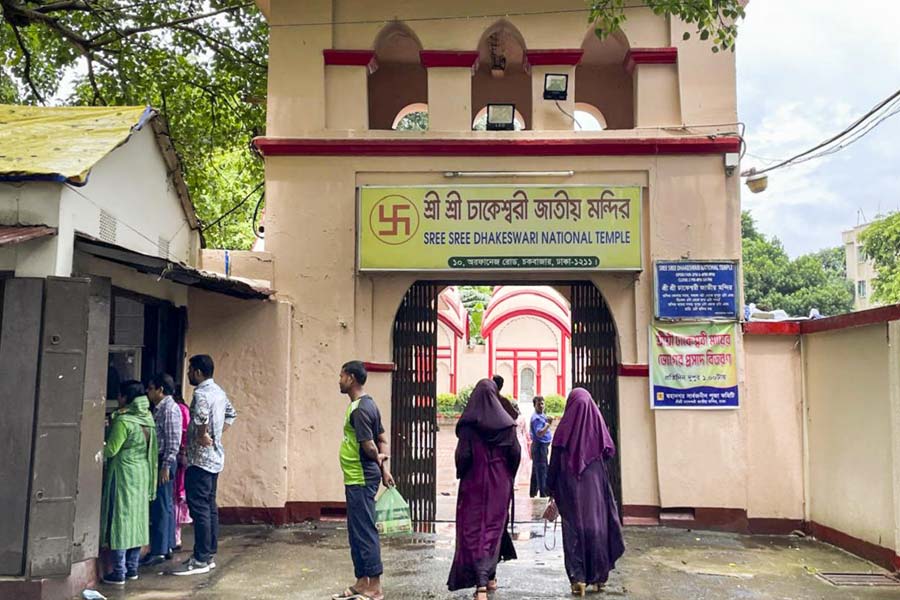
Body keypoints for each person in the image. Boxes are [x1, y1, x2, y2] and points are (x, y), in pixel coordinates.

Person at [547, 388, 625, 596]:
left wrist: (550, 488)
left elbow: (553, 464)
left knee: (574, 531)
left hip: (570, 488)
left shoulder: (563, 431)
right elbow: (609, 451)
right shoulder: (597, 429)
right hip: (595, 488)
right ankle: (600, 577)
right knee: (598, 527)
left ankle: (578, 578)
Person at [448, 379, 520, 600]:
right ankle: (488, 578)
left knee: (473, 529)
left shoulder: (469, 426)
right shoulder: (507, 426)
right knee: (494, 527)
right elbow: (515, 455)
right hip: (499, 483)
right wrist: (507, 476)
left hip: (474, 483)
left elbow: (463, 457)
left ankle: (481, 582)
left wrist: (465, 472)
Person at [333, 361, 393, 600]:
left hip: (360, 478)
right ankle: (361, 582)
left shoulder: (359, 409)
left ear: (352, 378)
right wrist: (384, 469)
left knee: (364, 530)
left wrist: (377, 458)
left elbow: (370, 444)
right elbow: (383, 439)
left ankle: (374, 586)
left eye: (341, 375)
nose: (338, 380)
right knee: (356, 531)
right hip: (358, 477)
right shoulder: (369, 404)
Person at [173, 355, 237, 576]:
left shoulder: (201, 393)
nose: (189, 373)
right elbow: (231, 413)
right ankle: (208, 554)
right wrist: (217, 436)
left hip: (200, 460)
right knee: (209, 507)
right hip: (215, 458)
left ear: (198, 372)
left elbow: (200, 417)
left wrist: (203, 435)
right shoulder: (219, 392)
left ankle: (200, 558)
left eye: (190, 370)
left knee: (199, 508)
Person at [100, 381, 158, 586]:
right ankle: (133, 568)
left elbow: (111, 450)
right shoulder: (147, 418)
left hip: (124, 473)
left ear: (125, 397)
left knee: (121, 520)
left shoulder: (124, 421)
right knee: (137, 521)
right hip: (142, 474)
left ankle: (119, 571)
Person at [141, 373, 181, 567]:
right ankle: (167, 545)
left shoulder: (169, 410)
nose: (148, 392)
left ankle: (159, 549)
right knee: (165, 503)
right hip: (161, 459)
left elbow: (173, 441)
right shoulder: (159, 409)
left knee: (161, 505)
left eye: (150, 388)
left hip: (164, 460)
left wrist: (166, 465)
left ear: (160, 390)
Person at [172, 391, 192, 550]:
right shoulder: (185, 409)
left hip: (179, 457)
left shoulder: (177, 409)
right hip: (185, 456)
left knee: (176, 498)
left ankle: (175, 537)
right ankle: (176, 536)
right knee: (180, 496)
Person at [529, 395, 553, 498]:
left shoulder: (542, 415)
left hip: (542, 446)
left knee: (536, 470)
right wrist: (548, 425)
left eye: (542, 403)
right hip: (539, 447)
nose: (541, 406)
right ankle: (543, 494)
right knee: (542, 470)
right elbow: (539, 433)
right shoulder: (536, 419)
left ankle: (533, 492)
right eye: (539, 404)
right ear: (534, 405)